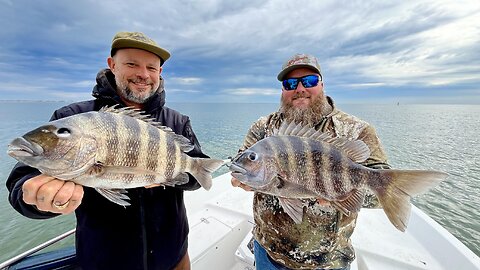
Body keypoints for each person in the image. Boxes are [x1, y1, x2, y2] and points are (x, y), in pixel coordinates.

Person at [6, 31, 208, 270]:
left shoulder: (177, 122)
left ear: (159, 73)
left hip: (173, 256)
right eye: (132, 64)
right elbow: (21, 183)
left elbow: (196, 172)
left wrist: (171, 177)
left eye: (151, 68)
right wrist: (39, 200)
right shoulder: (70, 119)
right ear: (112, 65)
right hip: (105, 261)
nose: (143, 74)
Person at [231, 53, 391, 270]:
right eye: (290, 83)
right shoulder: (264, 127)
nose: (299, 89)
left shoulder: (356, 130)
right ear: (283, 90)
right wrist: (243, 180)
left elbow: (384, 194)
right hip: (268, 252)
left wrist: (342, 195)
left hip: (328, 262)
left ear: (322, 84)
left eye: (309, 81)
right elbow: (244, 161)